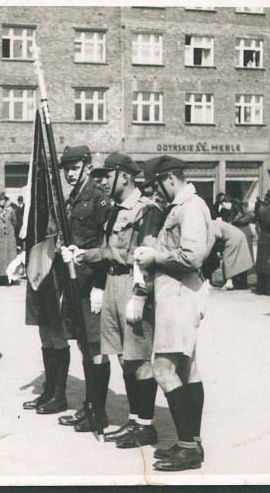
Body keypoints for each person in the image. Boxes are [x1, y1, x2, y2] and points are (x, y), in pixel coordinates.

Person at [61, 152, 163, 445]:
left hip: (132, 283)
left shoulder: (147, 211)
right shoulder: (116, 210)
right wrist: (82, 254)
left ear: (125, 177)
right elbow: (106, 250)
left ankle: (146, 424)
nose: (102, 181)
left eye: (108, 175)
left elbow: (145, 256)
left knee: (139, 358)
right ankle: (134, 420)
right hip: (112, 282)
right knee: (123, 357)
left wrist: (141, 296)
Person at [133, 155, 214, 471]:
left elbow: (192, 256)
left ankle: (188, 448)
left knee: (163, 369)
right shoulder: (183, 206)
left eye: (155, 185)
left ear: (169, 178)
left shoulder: (189, 208)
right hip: (179, 294)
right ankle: (192, 442)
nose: (154, 193)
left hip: (179, 295)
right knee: (187, 370)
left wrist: (155, 256)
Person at [35, 145, 109, 425]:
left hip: (92, 282)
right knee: (82, 343)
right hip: (74, 282)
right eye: (66, 168)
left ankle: (97, 411)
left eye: (75, 168)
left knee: (94, 346)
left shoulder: (99, 199)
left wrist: (101, 285)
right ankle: (90, 407)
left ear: (88, 167)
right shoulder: (72, 199)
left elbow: (105, 244)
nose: (69, 173)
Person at [212, 218, 254, 290]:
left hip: (234, 238)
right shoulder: (215, 222)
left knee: (228, 259)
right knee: (241, 260)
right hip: (240, 235)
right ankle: (242, 284)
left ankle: (229, 282)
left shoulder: (211, 225)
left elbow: (218, 235)